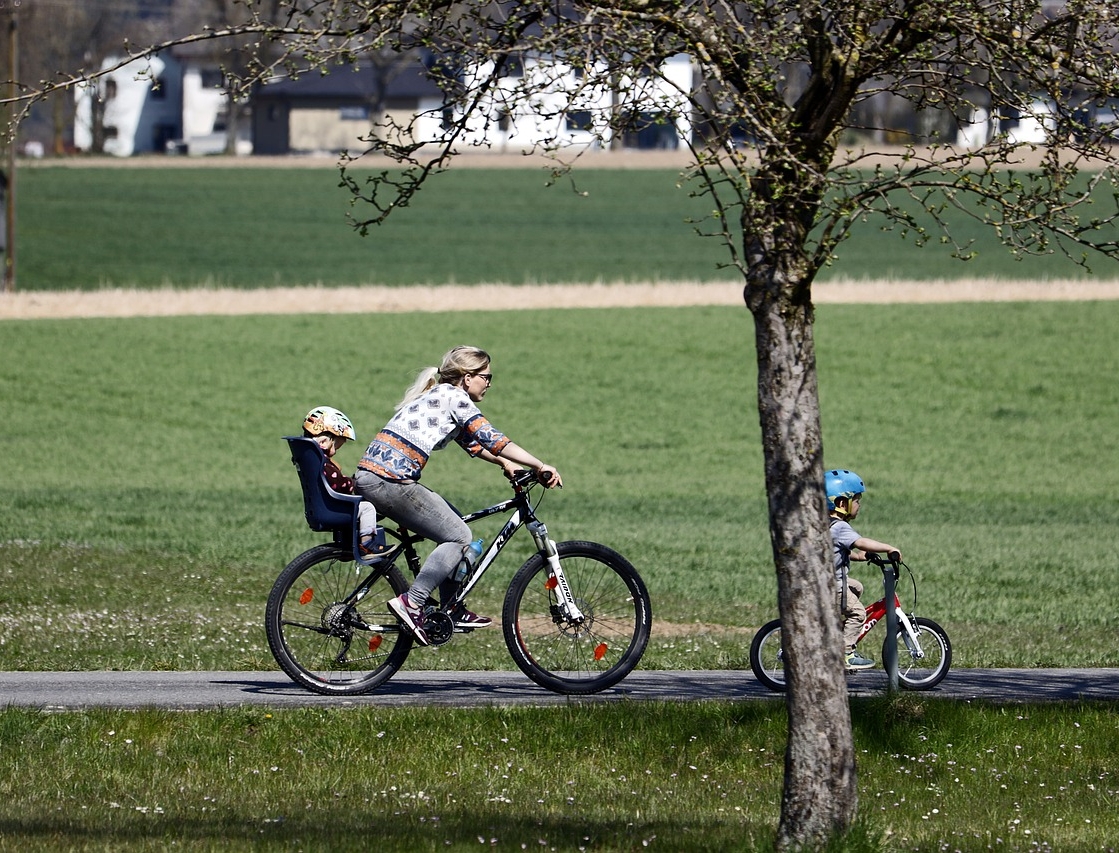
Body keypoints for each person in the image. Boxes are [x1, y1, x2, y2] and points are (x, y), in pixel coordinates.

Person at [354, 345, 562, 645]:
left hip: (375, 477)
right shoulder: (455, 398)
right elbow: (492, 437)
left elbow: (474, 443)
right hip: (390, 480)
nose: (489, 383)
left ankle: (452, 608)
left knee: (456, 524)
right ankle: (412, 603)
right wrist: (539, 464)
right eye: (486, 377)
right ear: (467, 377)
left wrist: (506, 463)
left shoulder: (438, 395)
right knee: (459, 537)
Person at [826, 468, 902, 671]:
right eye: (857, 500)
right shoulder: (840, 527)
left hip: (824, 581)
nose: (859, 506)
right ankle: (845, 654)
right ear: (842, 503)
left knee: (857, 587)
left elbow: (834, 551)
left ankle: (834, 636)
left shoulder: (824, 525)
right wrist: (888, 547)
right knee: (858, 613)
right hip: (834, 583)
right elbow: (861, 542)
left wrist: (858, 557)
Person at [302, 406, 387, 558]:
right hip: (332, 508)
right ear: (324, 441)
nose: (338, 449)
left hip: (324, 506)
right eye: (338, 445)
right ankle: (367, 544)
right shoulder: (326, 466)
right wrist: (352, 483)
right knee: (367, 508)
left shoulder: (313, 461)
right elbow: (338, 484)